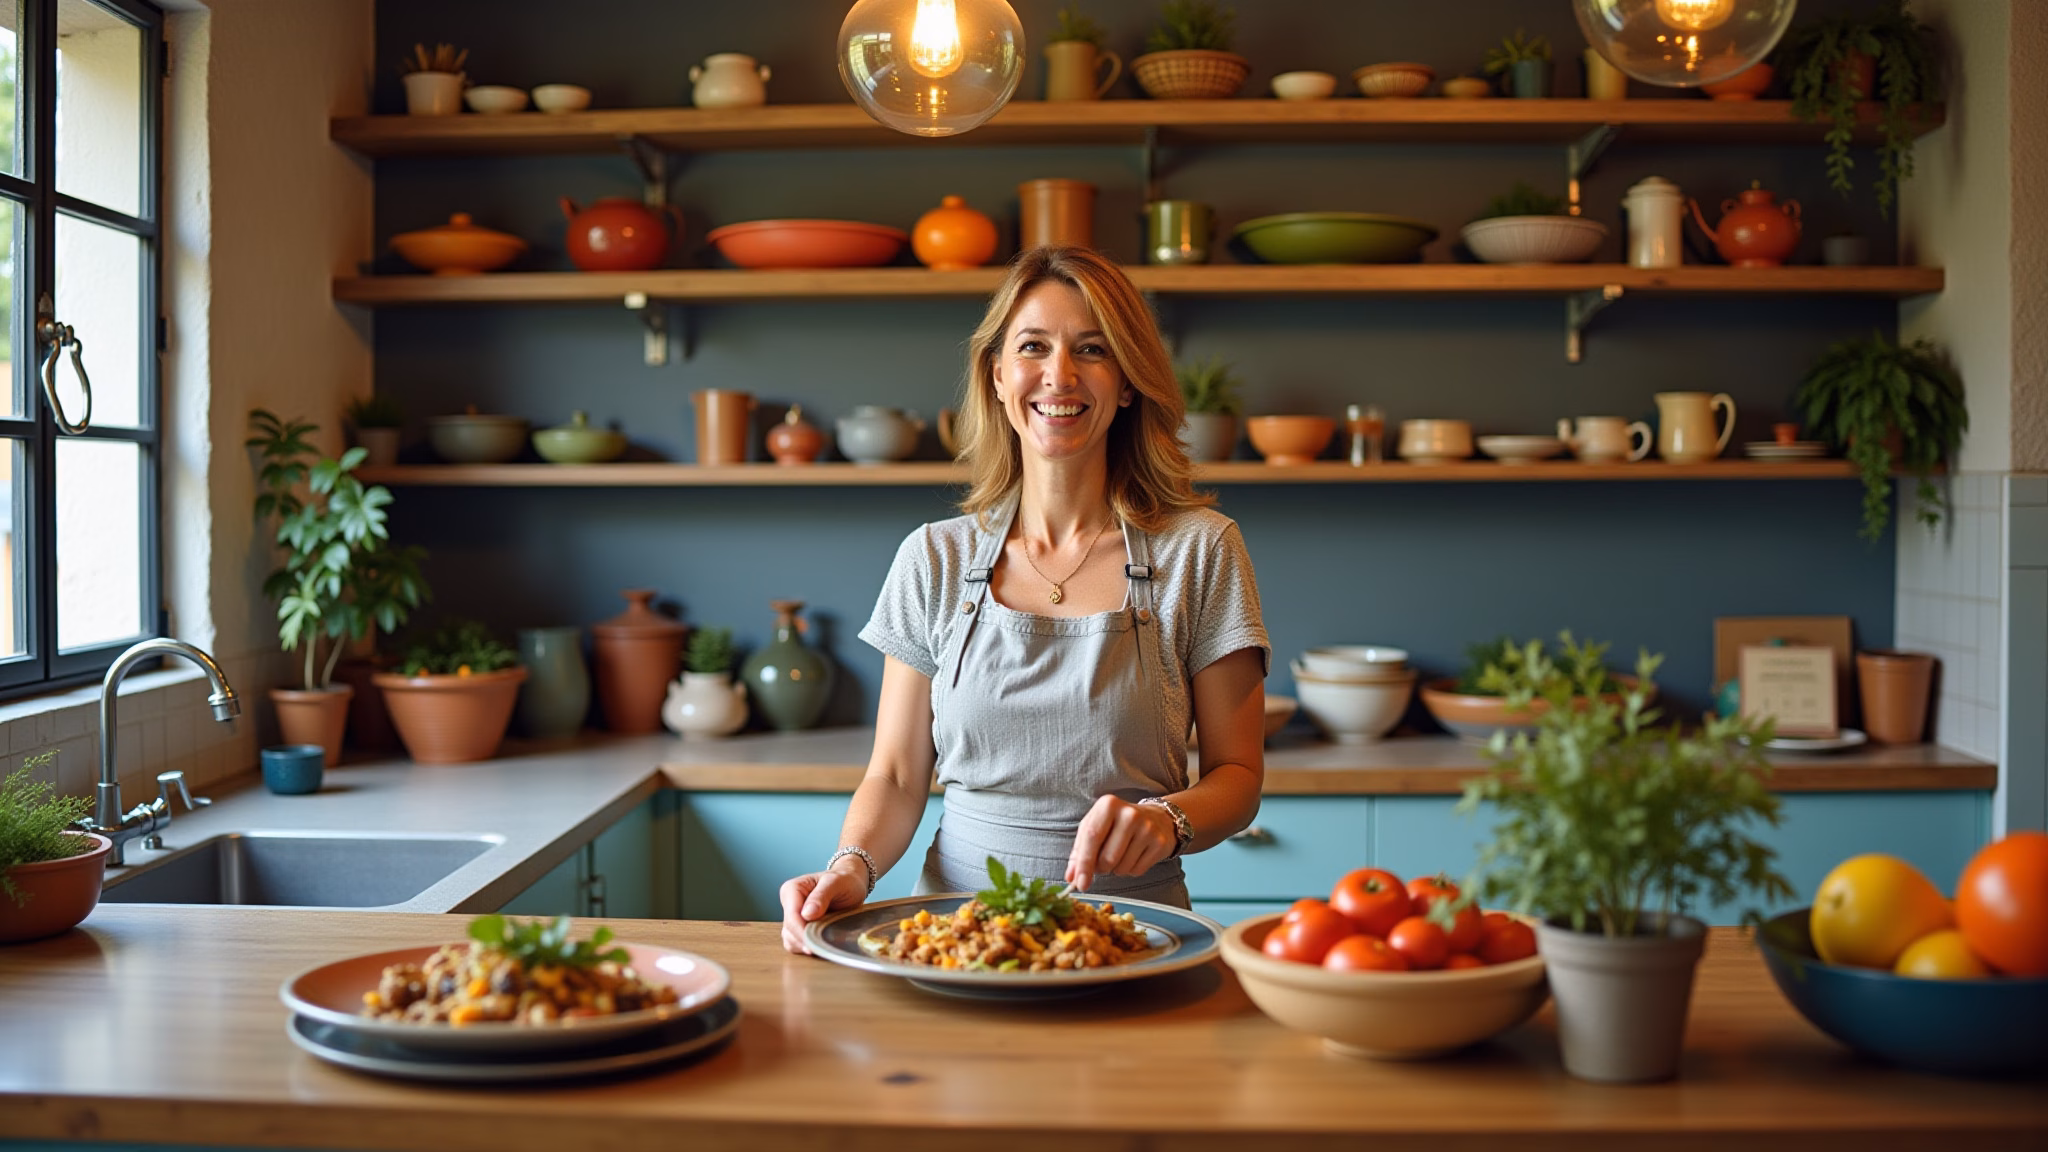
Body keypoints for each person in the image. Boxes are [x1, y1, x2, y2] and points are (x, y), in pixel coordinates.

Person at [778, 246, 1269, 955]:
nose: (1059, 375)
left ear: (1127, 382)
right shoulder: (933, 558)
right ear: (999, 376)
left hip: (1135, 939)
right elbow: (895, 774)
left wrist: (1169, 818)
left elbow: (1239, 777)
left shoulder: (1200, 550)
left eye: (1092, 349)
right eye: (1033, 347)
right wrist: (849, 870)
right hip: (955, 938)